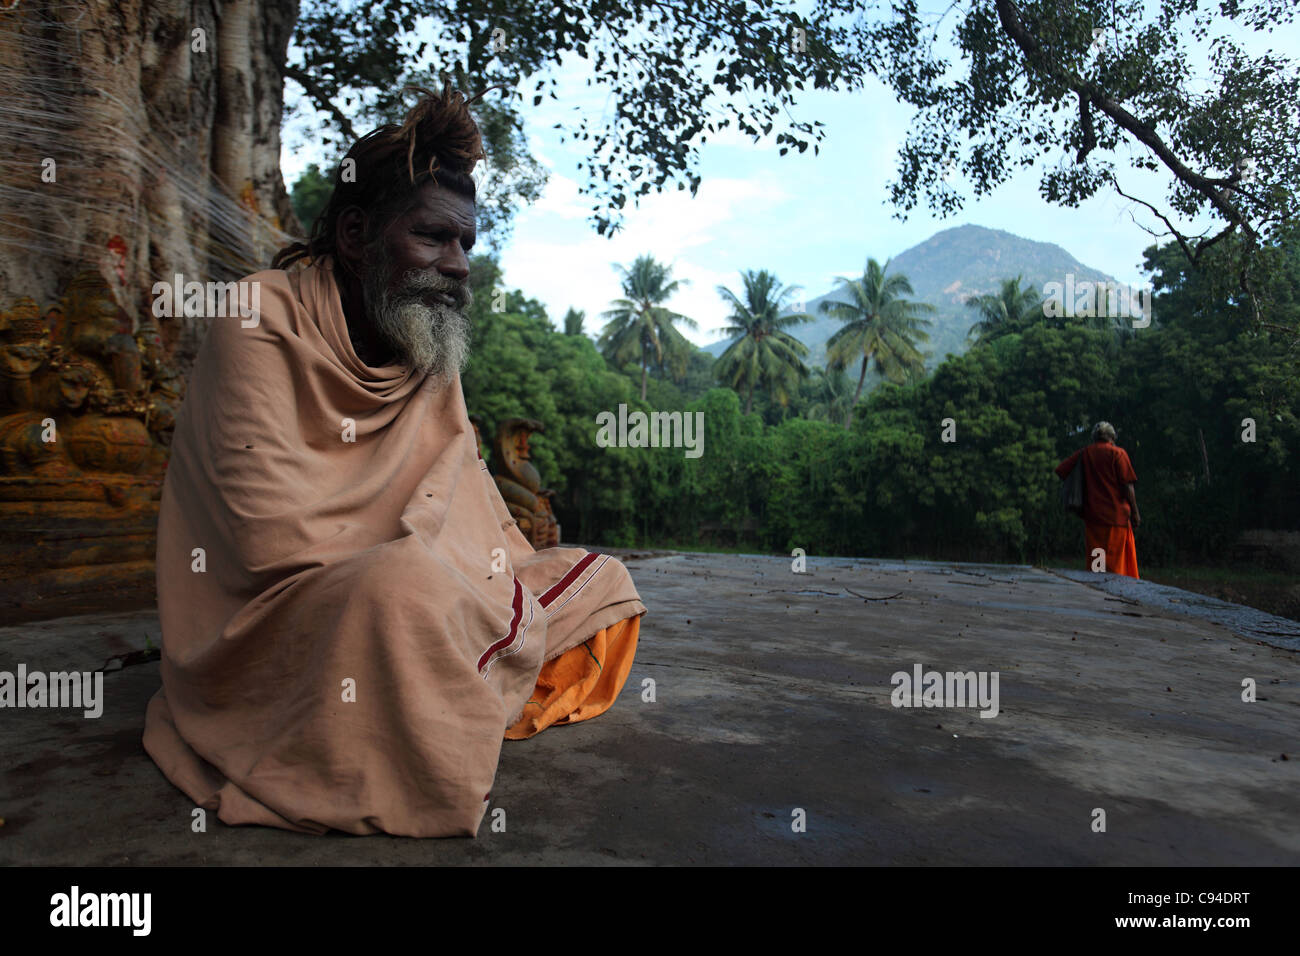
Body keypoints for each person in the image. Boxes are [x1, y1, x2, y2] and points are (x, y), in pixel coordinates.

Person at [143, 86, 646, 837]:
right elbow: (270, 542)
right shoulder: (257, 317)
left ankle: (445, 669)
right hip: (277, 614)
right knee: (402, 593)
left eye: (466, 245)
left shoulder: (427, 350)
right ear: (356, 234)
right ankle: (447, 682)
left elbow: (470, 507)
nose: (458, 265)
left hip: (410, 581)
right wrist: (440, 574)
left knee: (602, 583)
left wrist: (470, 571)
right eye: (434, 239)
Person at [1055, 421, 1140, 578]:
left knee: (1097, 566)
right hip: (1116, 519)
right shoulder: (1118, 454)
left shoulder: (1086, 453)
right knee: (1116, 566)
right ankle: (1117, 596)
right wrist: (1135, 513)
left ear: (1095, 437)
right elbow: (1128, 487)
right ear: (1111, 437)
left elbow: (1061, 470)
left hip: (1094, 519)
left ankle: (1098, 597)